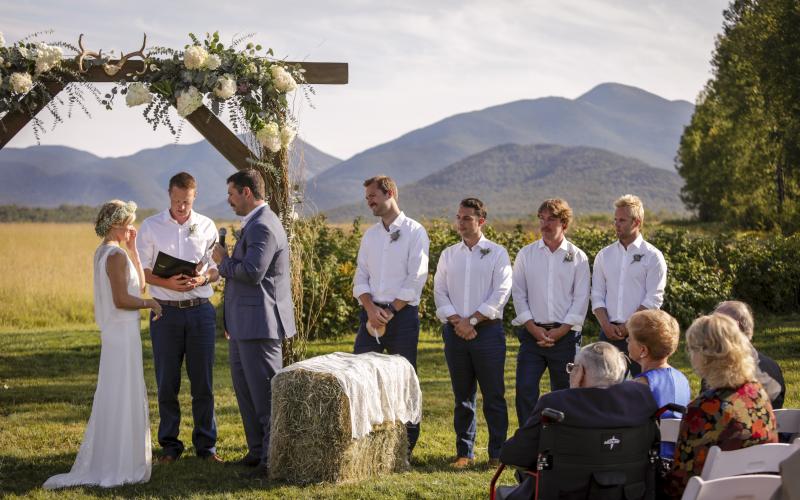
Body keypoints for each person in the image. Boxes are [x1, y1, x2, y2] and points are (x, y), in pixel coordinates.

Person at [44, 200, 162, 489]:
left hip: (120, 335)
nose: (133, 227)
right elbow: (123, 299)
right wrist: (150, 304)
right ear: (117, 225)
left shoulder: (109, 253)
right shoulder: (114, 257)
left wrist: (133, 248)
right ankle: (118, 463)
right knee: (121, 394)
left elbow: (140, 284)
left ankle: (120, 455)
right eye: (129, 223)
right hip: (121, 336)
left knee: (120, 392)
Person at [212, 169, 297, 478]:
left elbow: (251, 272)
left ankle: (273, 459)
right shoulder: (255, 224)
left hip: (261, 324)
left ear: (247, 192)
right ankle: (257, 451)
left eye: (232, 194)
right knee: (246, 392)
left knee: (264, 396)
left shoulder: (263, 226)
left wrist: (222, 260)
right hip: (243, 324)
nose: (229, 200)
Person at [499, 342, 657, 500]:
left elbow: (513, 455)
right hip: (629, 492)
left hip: (564, 493)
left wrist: (573, 392)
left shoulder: (555, 403)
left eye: (572, 367)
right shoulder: (641, 397)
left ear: (580, 371)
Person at [137, 172, 221, 464]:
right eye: (176, 201)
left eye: (186, 201)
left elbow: (216, 269)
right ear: (168, 195)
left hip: (201, 311)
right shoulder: (150, 227)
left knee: (203, 383)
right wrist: (168, 284)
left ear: (194, 196)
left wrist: (202, 278)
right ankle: (170, 447)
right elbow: (144, 272)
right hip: (166, 313)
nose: (181, 207)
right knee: (167, 382)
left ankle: (207, 447)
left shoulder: (208, 226)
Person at [352, 175, 429, 456]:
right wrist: (371, 309)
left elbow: (416, 278)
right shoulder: (370, 235)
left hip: (403, 316)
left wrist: (391, 310)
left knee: (405, 378)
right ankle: (364, 439)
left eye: (373, 195)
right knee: (361, 373)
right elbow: (361, 275)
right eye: (367, 197)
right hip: (370, 315)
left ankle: (406, 446)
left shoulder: (415, 231)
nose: (369, 201)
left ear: (390, 193)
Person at [433, 197, 512, 468]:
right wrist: (458, 321)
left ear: (481, 221)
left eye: (466, 218)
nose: (461, 222)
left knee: (494, 395)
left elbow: (501, 292)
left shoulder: (498, 253)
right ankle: (464, 453)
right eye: (458, 217)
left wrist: (474, 321)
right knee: (463, 396)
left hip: (488, 332)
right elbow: (439, 291)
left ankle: (498, 453)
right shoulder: (448, 254)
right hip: (455, 333)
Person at [665, 313, 778, 498]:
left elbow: (680, 484)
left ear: (704, 355)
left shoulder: (704, 409)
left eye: (691, 348)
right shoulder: (758, 393)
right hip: (761, 493)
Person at [510, 199, 590, 426]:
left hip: (565, 338)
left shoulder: (578, 257)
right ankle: (528, 438)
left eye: (551, 219)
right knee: (525, 389)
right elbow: (519, 293)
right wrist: (532, 328)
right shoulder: (526, 254)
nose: (544, 224)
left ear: (564, 223)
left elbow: (581, 298)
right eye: (542, 219)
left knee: (564, 393)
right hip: (531, 335)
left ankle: (562, 441)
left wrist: (562, 330)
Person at [591, 194, 667, 376]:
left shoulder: (653, 256)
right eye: (615, 220)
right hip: (608, 333)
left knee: (644, 389)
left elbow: (654, 298)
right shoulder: (604, 255)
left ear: (637, 222)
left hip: (642, 335)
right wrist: (605, 326)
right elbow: (597, 294)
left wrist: (629, 326)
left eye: (622, 220)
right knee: (604, 389)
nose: (616, 224)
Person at [625, 309, 690, 458]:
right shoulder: (683, 379)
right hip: (677, 456)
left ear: (643, 350)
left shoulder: (641, 384)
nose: (627, 341)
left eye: (630, 339)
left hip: (649, 459)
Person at [714, 300, 785, 409]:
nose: (710, 330)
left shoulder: (717, 370)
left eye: (716, 324)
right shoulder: (773, 367)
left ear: (734, 327)